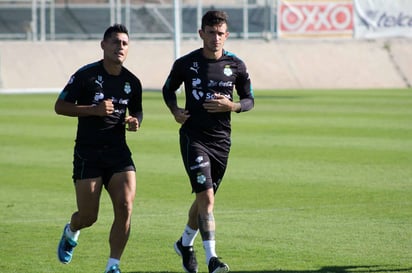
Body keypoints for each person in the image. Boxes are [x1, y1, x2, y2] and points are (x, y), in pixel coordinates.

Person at [162, 10, 254, 273]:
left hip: (222, 141)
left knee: (205, 200)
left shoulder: (236, 65)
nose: (216, 38)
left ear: (227, 35)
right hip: (194, 138)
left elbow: (250, 100)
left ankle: (184, 243)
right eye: (211, 33)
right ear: (201, 33)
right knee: (208, 200)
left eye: (221, 33)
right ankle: (212, 258)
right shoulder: (185, 64)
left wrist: (233, 105)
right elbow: (168, 89)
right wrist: (175, 110)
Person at [55, 24, 143, 273]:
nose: (120, 47)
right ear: (103, 45)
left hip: (118, 153)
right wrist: (92, 110)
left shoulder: (132, 82)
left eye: (125, 43)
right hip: (88, 153)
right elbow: (60, 106)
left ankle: (113, 265)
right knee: (88, 216)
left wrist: (135, 121)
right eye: (115, 42)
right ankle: (72, 231)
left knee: (125, 206)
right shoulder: (86, 76)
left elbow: (136, 110)